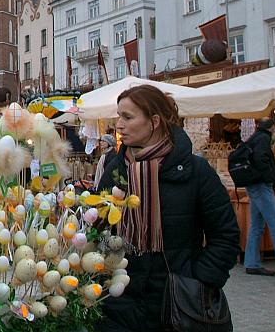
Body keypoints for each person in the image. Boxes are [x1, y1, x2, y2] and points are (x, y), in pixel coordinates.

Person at [96, 85, 239, 332]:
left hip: (178, 303)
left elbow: (225, 235)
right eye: (119, 116)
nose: (119, 125)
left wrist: (199, 279)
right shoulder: (116, 170)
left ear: (154, 121)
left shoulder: (195, 171)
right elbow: (98, 232)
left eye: (127, 117)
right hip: (119, 304)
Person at [243, 117, 275, 279]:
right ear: (271, 128)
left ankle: (251, 263)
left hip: (254, 186)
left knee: (256, 225)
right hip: (262, 186)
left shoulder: (255, 137)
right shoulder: (263, 139)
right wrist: (270, 177)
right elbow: (261, 160)